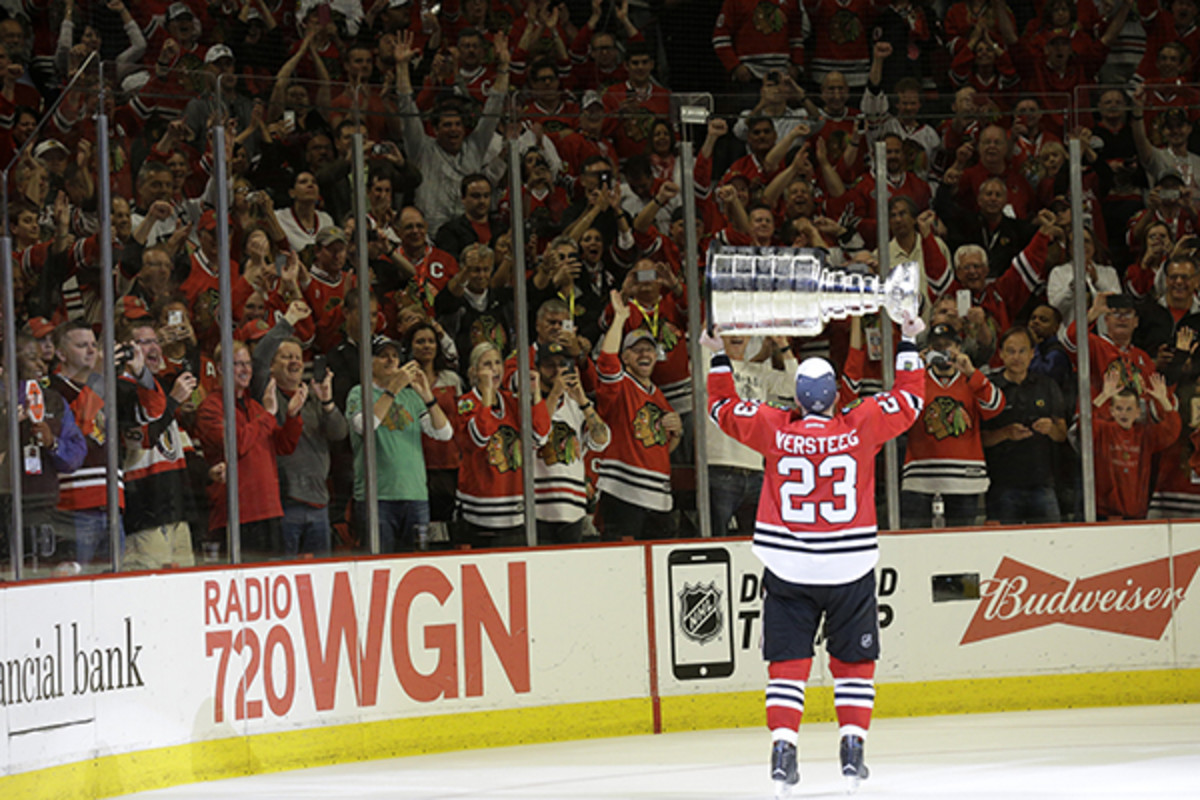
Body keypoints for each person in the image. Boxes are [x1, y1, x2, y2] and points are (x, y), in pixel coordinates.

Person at [702, 311, 925, 796]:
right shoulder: (861, 425)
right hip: (850, 566)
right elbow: (909, 400)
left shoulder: (774, 429)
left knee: (787, 660)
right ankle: (852, 751)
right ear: (835, 397)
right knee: (853, 662)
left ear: (797, 398)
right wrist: (908, 338)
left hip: (789, 565)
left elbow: (721, 406)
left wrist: (719, 352)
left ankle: (784, 749)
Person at [346, 336, 452, 552]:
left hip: (415, 496)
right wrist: (393, 389)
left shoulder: (411, 397)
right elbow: (365, 427)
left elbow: (444, 433)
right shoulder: (360, 392)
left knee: (416, 565)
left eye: (395, 356)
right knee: (379, 567)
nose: (391, 361)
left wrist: (427, 395)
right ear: (369, 361)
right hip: (377, 498)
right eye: (383, 355)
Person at [595, 291, 683, 540]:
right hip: (624, 494)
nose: (644, 354)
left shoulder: (658, 396)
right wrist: (620, 318)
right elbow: (606, 361)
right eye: (636, 350)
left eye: (649, 349)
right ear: (625, 357)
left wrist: (675, 432)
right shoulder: (620, 384)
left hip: (658, 497)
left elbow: (663, 447)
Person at [981, 327, 1068, 524]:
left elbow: (1062, 434)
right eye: (1010, 351)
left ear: (1032, 354)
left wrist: (1050, 429)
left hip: (1042, 482)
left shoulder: (1047, 386)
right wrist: (1005, 433)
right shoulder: (990, 388)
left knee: (1052, 546)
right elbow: (979, 439)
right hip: (1002, 484)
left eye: (1022, 351)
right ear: (1001, 354)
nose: (1016, 357)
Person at [532, 341, 610, 544]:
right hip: (538, 509)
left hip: (573, 508)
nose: (557, 371)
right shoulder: (528, 401)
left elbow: (601, 440)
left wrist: (583, 400)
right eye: (550, 365)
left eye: (562, 365)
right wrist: (556, 394)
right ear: (538, 369)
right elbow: (537, 433)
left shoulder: (576, 405)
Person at [1092, 370, 1180, 519]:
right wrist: (1104, 396)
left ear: (1138, 412)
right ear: (1111, 411)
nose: (1124, 414)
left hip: (1136, 512)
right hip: (1106, 513)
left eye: (1129, 409)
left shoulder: (1145, 435)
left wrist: (1163, 399)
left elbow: (1171, 430)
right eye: (1119, 409)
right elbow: (1085, 425)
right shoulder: (1104, 430)